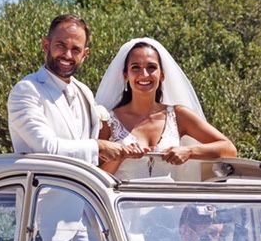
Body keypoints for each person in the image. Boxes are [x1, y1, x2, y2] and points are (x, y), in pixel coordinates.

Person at [94, 38, 236, 181]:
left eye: (151, 67)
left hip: (169, 201)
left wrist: (189, 151)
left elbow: (228, 148)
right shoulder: (108, 121)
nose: (144, 74)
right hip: (121, 201)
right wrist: (120, 157)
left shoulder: (179, 115)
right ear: (126, 76)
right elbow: (96, 176)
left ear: (162, 75)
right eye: (135, 67)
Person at [7, 14, 137, 166]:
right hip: (42, 188)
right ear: (46, 45)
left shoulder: (84, 91)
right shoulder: (26, 90)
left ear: (84, 55)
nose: (67, 55)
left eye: (75, 49)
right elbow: (46, 148)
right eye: (60, 46)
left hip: (81, 188)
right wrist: (99, 147)